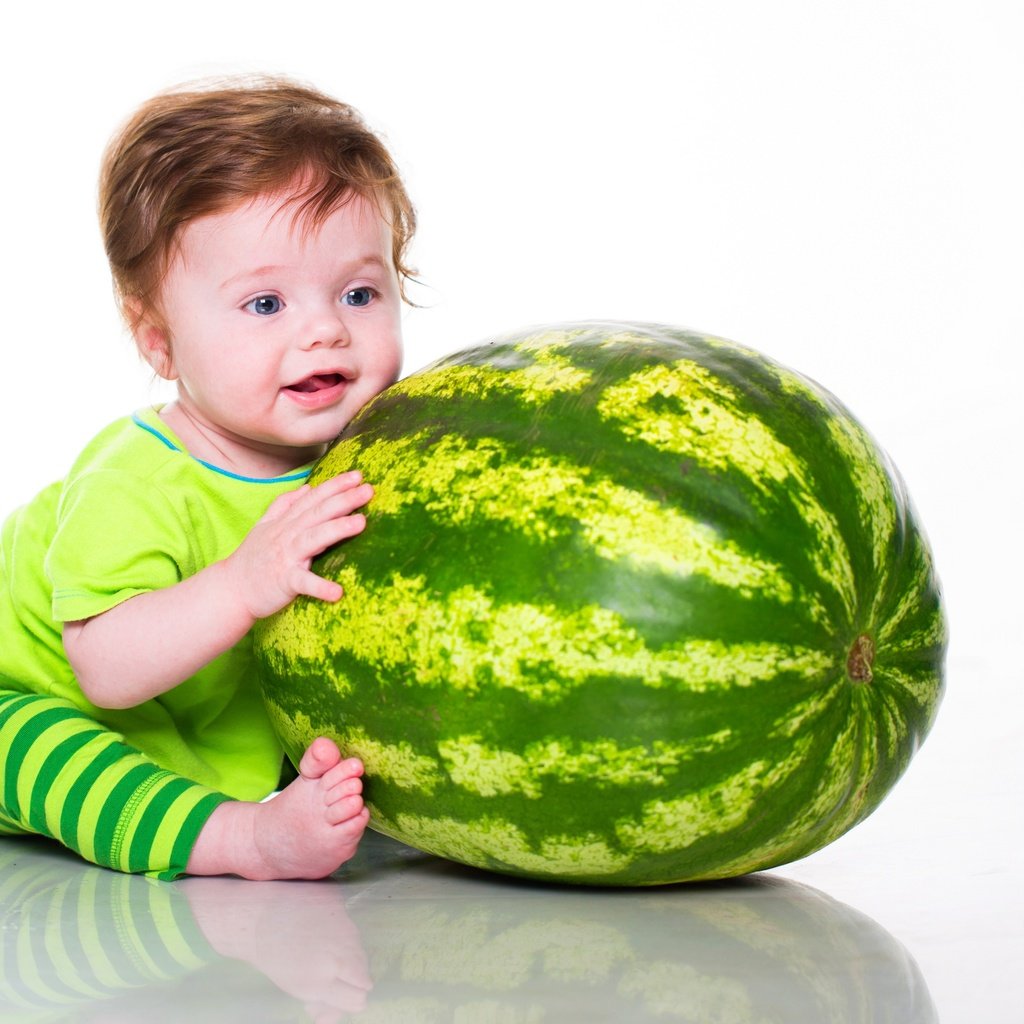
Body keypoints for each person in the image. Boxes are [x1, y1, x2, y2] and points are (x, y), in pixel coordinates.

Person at [0, 76, 417, 880]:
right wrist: (242, 583)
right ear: (158, 341)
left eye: (359, 292)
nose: (326, 330)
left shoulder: (367, 451)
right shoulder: (136, 481)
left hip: (193, 719)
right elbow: (105, 669)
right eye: (266, 304)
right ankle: (237, 841)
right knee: (42, 753)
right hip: (34, 692)